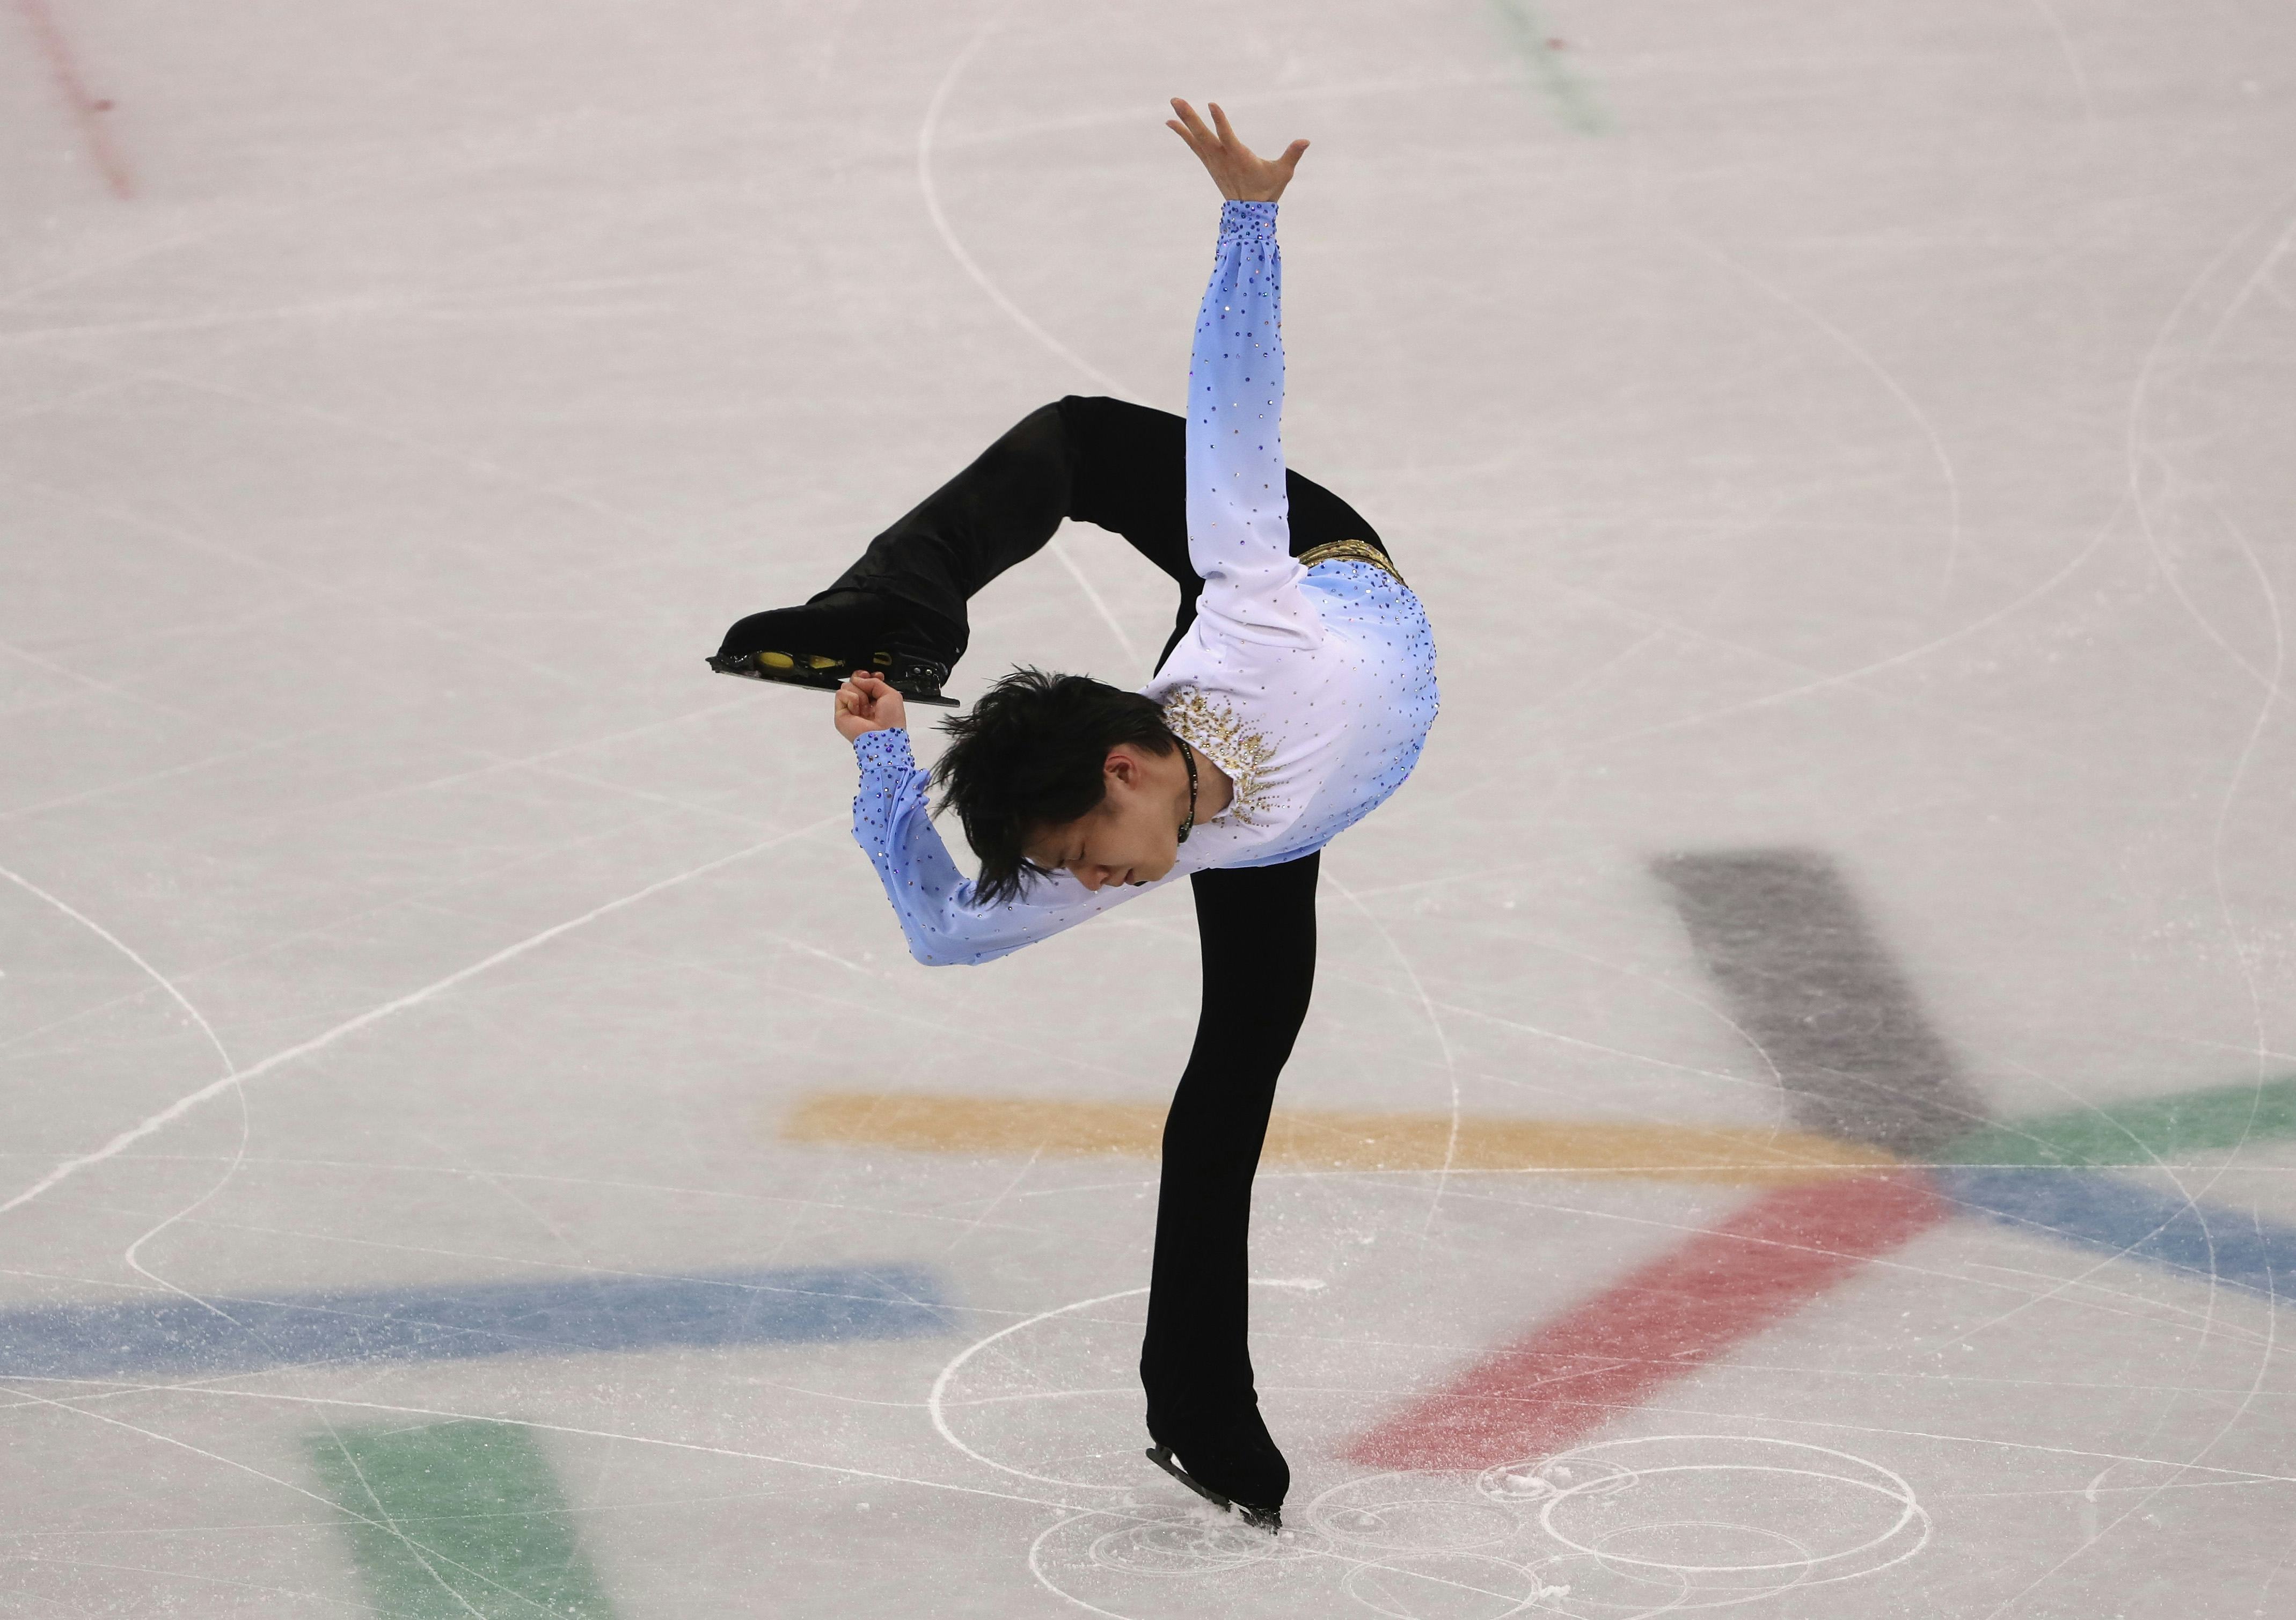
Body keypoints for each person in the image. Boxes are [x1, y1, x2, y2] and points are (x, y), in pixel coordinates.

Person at [711, 99, 1438, 1529]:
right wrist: (880, 757)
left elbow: (1238, 402)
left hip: (1313, 569)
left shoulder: (1253, 590)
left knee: (1082, 439)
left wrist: (1249, 214)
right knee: (1223, 1094)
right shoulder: (1144, 827)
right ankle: (1201, 1417)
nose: (1092, 891)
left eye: (1081, 863)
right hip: (1258, 822)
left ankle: (902, 599)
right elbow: (944, 933)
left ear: (1122, 775)